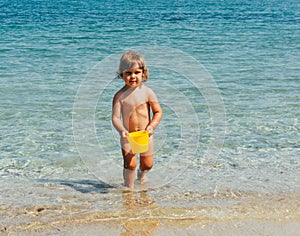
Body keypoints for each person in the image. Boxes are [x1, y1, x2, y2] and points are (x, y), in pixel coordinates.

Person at [112, 50, 162, 189]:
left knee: (147, 164)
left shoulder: (147, 92)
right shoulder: (119, 96)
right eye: (128, 73)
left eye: (136, 72)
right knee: (130, 165)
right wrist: (121, 130)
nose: (133, 76)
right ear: (121, 74)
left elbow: (157, 112)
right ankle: (128, 188)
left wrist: (152, 126)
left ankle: (142, 175)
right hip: (128, 136)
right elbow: (115, 117)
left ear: (143, 73)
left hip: (146, 135)